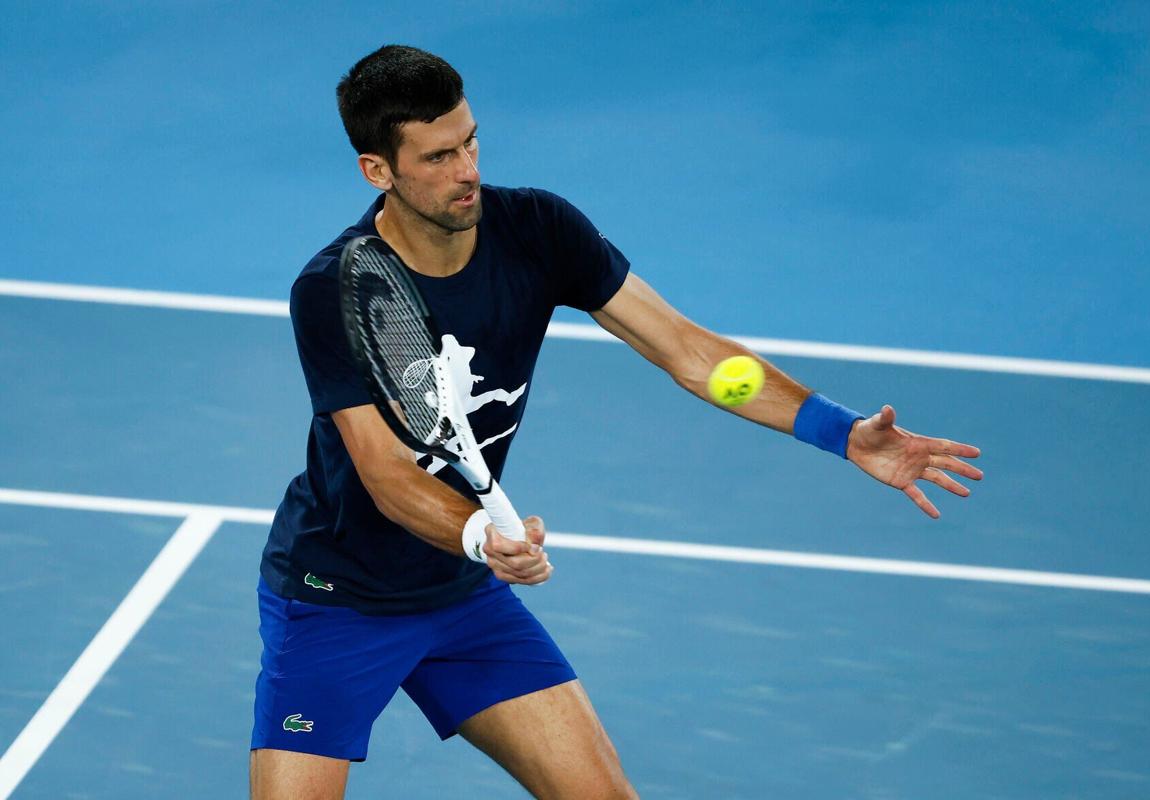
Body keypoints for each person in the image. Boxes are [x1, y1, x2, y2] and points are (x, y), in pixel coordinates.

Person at [249, 44, 983, 800]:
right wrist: (480, 536)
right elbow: (385, 473)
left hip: (459, 596)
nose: (467, 171)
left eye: (470, 142)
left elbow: (688, 350)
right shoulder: (337, 288)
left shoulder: (537, 229)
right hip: (335, 601)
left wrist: (840, 431)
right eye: (437, 157)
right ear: (378, 170)